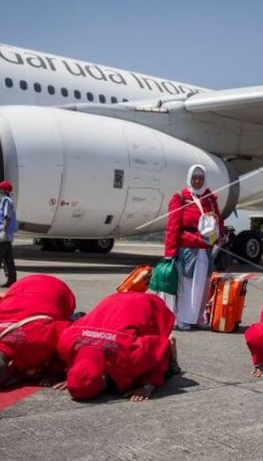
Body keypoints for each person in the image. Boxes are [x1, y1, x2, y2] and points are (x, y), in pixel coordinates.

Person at [55, 292, 178, 402]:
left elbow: (161, 347)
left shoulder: (127, 354)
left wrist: (148, 387)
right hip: (112, 302)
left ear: (103, 377)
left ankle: (173, 358)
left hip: (141, 304)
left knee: (168, 371)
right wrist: (77, 378)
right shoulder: (67, 343)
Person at [162, 164, 225, 330]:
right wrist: (170, 252)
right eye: (195, 177)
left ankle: (197, 317)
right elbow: (172, 226)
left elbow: (219, 219)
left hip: (206, 247)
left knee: (203, 285)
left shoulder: (210, 198)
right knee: (187, 283)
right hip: (188, 247)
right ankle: (182, 318)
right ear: (190, 178)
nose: (198, 181)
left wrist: (221, 235)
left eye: (201, 178)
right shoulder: (181, 197)